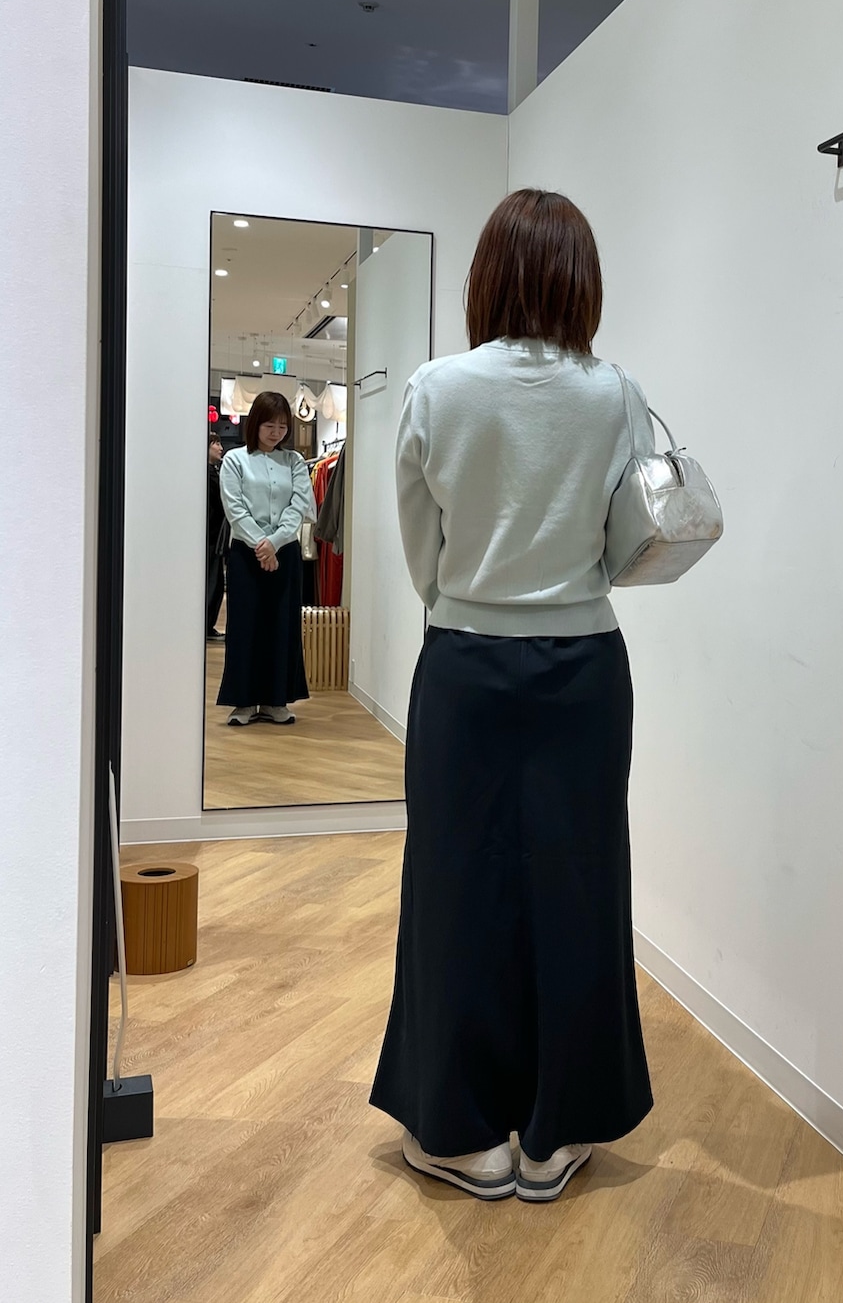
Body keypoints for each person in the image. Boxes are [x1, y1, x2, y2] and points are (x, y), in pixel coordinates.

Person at [370, 189, 655, 1203]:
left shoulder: (436, 387)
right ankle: (555, 1132)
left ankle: (459, 1131)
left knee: (454, 888)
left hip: (464, 665)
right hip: (585, 670)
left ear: (486, 275)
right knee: (579, 887)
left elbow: (423, 553)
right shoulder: (616, 395)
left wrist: (472, 598)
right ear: (582, 280)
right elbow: (623, 546)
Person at [217, 391, 315, 727]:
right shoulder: (235, 460)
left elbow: (298, 505)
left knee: (281, 625)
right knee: (245, 625)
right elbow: (234, 507)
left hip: (284, 552)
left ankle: (276, 701)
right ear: (255, 423)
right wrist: (261, 545)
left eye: (283, 426)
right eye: (269, 425)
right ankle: (244, 703)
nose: (276, 432)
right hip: (246, 554)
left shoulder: (295, 462)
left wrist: (273, 543)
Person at [206, 434, 228, 641]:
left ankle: (207, 625)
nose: (220, 448)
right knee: (213, 581)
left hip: (214, 536)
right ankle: (206, 625)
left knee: (216, 581)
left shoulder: (214, 472)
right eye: (216, 444)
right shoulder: (208, 474)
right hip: (211, 536)